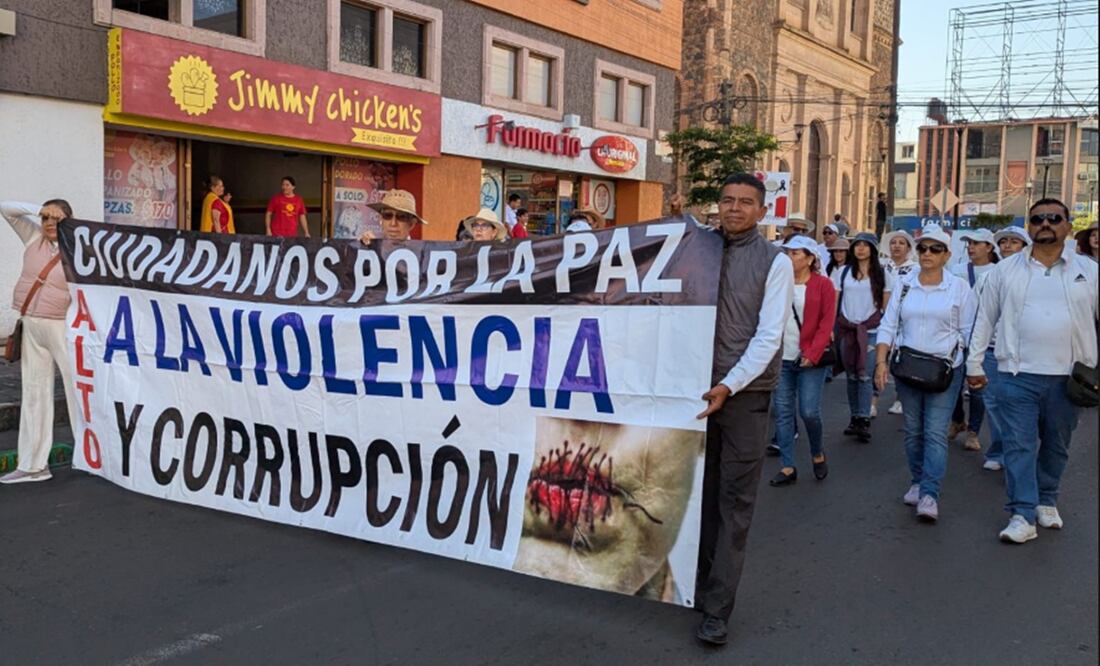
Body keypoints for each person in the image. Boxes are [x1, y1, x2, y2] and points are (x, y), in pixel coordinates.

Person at [694, 173, 794, 646]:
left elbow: (769, 338)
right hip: (691, 392)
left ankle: (717, 609)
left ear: (762, 211)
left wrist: (728, 386)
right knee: (696, 495)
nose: (734, 209)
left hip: (744, 397)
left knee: (733, 504)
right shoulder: (696, 250)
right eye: (727, 200)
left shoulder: (775, 262)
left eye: (745, 203)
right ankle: (694, 587)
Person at [967, 199, 1098, 544]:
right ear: (1028, 227)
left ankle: (1047, 498)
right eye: (1038, 219)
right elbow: (985, 319)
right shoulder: (1004, 271)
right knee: (1018, 444)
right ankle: (1022, 513)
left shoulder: (1088, 270)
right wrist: (974, 363)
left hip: (1071, 377)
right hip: (1016, 374)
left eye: (1054, 218)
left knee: (1057, 443)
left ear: (1068, 227)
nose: (1046, 223)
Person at [874, 226, 976, 522]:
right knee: (913, 430)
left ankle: (930, 492)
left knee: (934, 432)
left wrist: (973, 368)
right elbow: (888, 325)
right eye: (923, 249)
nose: (927, 254)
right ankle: (918, 481)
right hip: (908, 368)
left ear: (946, 255)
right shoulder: (905, 284)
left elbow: (969, 331)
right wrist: (881, 362)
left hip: (945, 369)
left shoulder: (959, 288)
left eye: (935, 249)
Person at [0, 200, 80, 484]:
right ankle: (33, 465)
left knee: (79, 393)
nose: (49, 223)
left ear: (68, 221)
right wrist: (38, 207)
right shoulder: (33, 238)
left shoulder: (79, 248)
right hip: (32, 324)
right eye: (45, 218)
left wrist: (63, 218)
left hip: (63, 326)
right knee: (34, 394)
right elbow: (5, 208)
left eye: (55, 218)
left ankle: (94, 457)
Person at [769, 235, 837, 487]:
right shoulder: (777, 283)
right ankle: (787, 466)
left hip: (809, 358)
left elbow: (826, 322)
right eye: (787, 253)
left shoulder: (823, 285)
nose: (790, 257)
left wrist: (813, 353)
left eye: (796, 253)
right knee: (784, 413)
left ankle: (817, 452)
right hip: (781, 357)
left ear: (810, 258)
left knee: (808, 411)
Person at [834, 232, 892, 441]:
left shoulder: (883, 274)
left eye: (865, 245)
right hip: (848, 330)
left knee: (865, 375)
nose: (860, 249)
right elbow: (836, 300)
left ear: (873, 249)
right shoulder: (843, 272)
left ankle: (864, 417)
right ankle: (854, 417)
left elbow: (887, 305)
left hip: (871, 331)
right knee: (851, 377)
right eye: (856, 245)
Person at [947, 228, 999, 450]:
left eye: (977, 243)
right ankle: (958, 419)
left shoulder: (999, 271)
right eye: (969, 243)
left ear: (989, 247)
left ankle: (973, 431)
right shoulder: (956, 269)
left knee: (977, 388)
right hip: (957, 334)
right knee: (951, 384)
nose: (971, 247)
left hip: (984, 337)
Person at [881, 229, 918, 415]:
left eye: (901, 243)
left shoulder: (914, 269)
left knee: (900, 359)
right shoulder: (882, 266)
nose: (896, 246)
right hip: (883, 317)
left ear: (908, 247)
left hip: (905, 320)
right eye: (893, 242)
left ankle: (899, 397)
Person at [361, 189, 427, 242]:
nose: (393, 223)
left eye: (401, 217)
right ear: (381, 219)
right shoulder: (372, 248)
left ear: (412, 224)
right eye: (387, 215)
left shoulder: (421, 255)